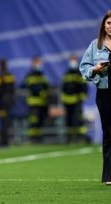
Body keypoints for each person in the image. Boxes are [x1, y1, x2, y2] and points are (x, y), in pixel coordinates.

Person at [80, 10, 111, 185]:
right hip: (104, 93)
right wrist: (95, 69)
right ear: (103, 25)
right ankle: (109, 175)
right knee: (108, 133)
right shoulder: (95, 45)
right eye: (108, 23)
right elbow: (84, 69)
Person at [21, 56, 49, 143]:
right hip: (33, 102)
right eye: (37, 63)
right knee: (33, 120)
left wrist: (44, 93)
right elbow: (25, 86)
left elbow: (46, 86)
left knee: (41, 120)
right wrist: (38, 91)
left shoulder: (42, 75)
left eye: (39, 63)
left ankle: (39, 137)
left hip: (42, 102)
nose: (38, 64)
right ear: (33, 64)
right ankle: (33, 138)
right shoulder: (29, 75)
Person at [61, 54, 88, 143]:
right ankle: (69, 138)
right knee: (68, 120)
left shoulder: (79, 73)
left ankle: (81, 137)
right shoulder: (66, 73)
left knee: (78, 119)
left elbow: (84, 86)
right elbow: (63, 87)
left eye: (73, 59)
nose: (72, 61)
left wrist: (82, 96)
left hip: (77, 100)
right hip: (67, 101)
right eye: (71, 59)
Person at [0, 58, 16, 147]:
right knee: (7, 121)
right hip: (9, 101)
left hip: (2, 102)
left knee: (3, 122)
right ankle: (6, 141)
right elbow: (13, 89)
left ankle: (3, 142)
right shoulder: (11, 75)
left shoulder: (0, 76)